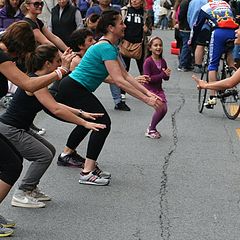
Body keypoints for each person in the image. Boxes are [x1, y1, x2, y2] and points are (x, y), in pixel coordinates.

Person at [55, 10, 162, 186]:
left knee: (90, 120)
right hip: (73, 88)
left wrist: (148, 93)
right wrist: (147, 101)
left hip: (75, 88)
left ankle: (67, 155)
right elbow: (119, 81)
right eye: (121, 23)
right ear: (111, 28)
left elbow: (125, 75)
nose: (125, 26)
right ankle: (87, 171)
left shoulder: (109, 47)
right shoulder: (105, 47)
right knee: (102, 124)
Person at [0, 44, 106, 209]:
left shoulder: (37, 81)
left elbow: (54, 103)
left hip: (18, 127)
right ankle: (22, 193)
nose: (59, 65)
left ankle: (31, 188)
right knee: (42, 155)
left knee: (49, 150)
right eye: (57, 61)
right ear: (48, 64)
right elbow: (55, 109)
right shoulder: (36, 82)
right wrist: (84, 123)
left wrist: (81, 112)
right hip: (10, 129)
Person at [0, 21, 68, 238]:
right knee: (11, 165)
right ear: (19, 47)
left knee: (12, 162)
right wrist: (60, 72)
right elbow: (29, 84)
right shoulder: (2, 58)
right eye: (22, 54)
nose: (19, 60)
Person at [190, 0, 238, 108]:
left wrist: (192, 41)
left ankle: (212, 97)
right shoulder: (226, 4)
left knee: (213, 64)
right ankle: (233, 78)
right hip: (233, 31)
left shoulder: (206, 7)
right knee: (229, 55)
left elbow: (197, 26)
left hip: (219, 32)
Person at [120, 0, 151, 100]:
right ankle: (122, 92)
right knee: (124, 69)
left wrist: (147, 30)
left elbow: (150, 31)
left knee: (143, 69)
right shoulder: (124, 11)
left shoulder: (145, 13)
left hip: (140, 44)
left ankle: (146, 90)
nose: (134, 1)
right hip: (125, 43)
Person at [142, 36, 170, 139]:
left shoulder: (162, 61)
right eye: (155, 45)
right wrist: (163, 75)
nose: (158, 47)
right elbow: (148, 79)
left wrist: (166, 75)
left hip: (159, 89)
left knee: (165, 109)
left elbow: (165, 78)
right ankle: (151, 129)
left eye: (160, 45)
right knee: (160, 107)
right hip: (150, 89)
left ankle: (152, 127)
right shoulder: (148, 62)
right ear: (150, 48)